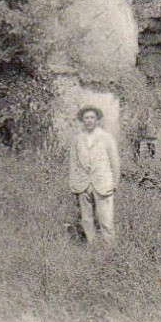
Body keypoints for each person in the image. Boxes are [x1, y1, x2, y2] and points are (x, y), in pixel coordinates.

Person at [69, 104, 121, 246]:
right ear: (82, 120)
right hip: (83, 183)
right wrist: (73, 182)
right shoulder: (77, 139)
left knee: (106, 220)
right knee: (86, 219)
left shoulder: (107, 138)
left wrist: (115, 183)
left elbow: (115, 162)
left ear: (97, 120)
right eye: (86, 118)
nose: (89, 120)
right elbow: (73, 162)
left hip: (103, 183)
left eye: (92, 117)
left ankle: (110, 250)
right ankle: (92, 246)